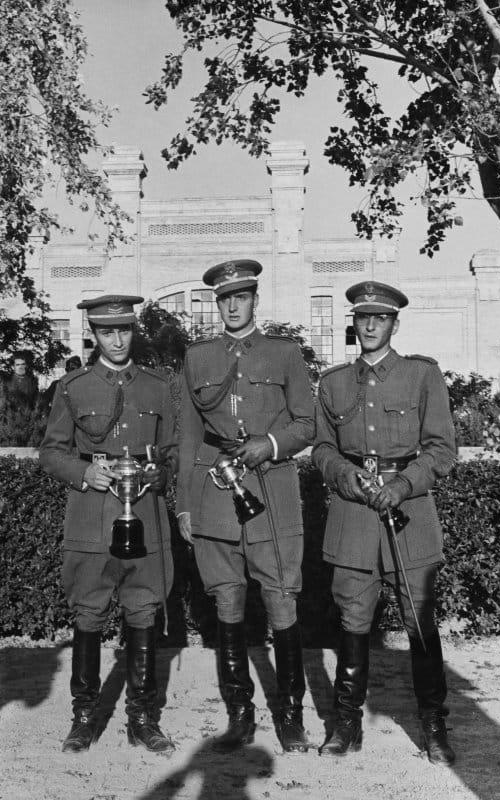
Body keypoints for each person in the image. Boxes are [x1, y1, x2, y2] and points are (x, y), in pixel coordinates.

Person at [312, 281, 456, 765]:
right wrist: (342, 474)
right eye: (362, 317)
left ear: (396, 323)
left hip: (407, 512)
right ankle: (346, 724)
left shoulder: (421, 376)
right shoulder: (332, 382)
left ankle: (434, 725)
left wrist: (402, 484)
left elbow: (442, 449)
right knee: (352, 619)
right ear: (353, 323)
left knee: (419, 622)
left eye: (381, 317)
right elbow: (323, 449)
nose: (371, 325)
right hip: (353, 514)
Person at [177, 259, 315, 753]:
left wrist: (271, 445)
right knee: (227, 602)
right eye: (224, 298)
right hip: (216, 490)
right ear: (217, 303)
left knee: (281, 601)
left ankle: (292, 714)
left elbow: (306, 423)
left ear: (256, 299)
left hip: (271, 490)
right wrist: (184, 506)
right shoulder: (198, 357)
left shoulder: (284, 354)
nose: (233, 305)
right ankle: (240, 714)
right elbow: (189, 436)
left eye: (241, 296)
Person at [40, 295, 177, 754]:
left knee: (143, 609)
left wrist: (162, 472)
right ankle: (84, 717)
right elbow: (51, 452)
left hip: (144, 509)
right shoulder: (73, 386)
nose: (117, 340)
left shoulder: (158, 386)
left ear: (133, 331)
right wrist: (83, 473)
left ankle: (142, 716)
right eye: (107, 331)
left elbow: (172, 450)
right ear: (93, 334)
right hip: (92, 511)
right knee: (89, 611)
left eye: (124, 330)